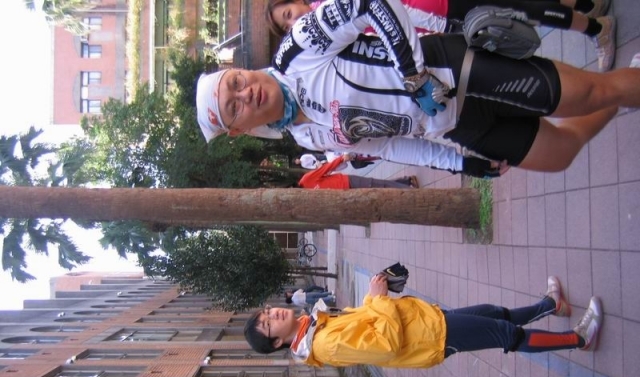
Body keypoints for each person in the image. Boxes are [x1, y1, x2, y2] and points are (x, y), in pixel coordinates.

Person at [196, 0, 639, 178]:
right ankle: (627, 91)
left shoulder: (297, 49)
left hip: (458, 70)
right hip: (456, 124)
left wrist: (413, 74)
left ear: (242, 71)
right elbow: (391, 146)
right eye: (234, 107)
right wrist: (460, 164)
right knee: (558, 155)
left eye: (235, 83)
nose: (245, 94)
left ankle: (623, 90)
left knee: (592, 94)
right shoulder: (305, 137)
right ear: (239, 131)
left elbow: (370, 3)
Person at [244, 275, 603, 368]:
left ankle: (551, 305)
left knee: (494, 313)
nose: (273, 314)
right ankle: (579, 338)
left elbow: (369, 320)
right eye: (268, 324)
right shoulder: (324, 344)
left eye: (267, 313)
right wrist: (379, 300)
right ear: (276, 342)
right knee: (506, 334)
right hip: (430, 338)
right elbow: (385, 346)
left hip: (428, 321)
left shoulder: (316, 325)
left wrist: (374, 294)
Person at [266, 0, 616, 71]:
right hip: (439, 20)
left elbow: (400, 10)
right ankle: (588, 8)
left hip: (442, 9)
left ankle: (598, 28)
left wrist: (441, 27)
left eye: (288, 13)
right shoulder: (334, 31)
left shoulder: (332, 6)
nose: (293, 22)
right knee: (515, 11)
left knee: (518, 14)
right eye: (286, 26)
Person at [299, 155, 420, 189]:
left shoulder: (306, 180)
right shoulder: (304, 197)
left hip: (347, 182)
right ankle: (407, 181)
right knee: (378, 188)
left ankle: (409, 190)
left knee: (376, 185)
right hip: (345, 196)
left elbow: (325, 168)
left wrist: (341, 159)